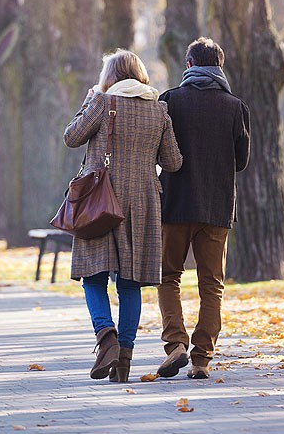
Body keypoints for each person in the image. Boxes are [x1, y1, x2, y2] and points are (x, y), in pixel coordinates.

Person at [64, 49, 182, 383]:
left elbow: (71, 137)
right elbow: (173, 162)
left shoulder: (103, 102)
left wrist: (89, 101)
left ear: (110, 77)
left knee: (93, 275)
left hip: (100, 201)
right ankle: (124, 360)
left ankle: (106, 339)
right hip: (144, 202)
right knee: (130, 282)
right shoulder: (159, 110)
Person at [156, 37, 250, 380]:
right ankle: (201, 359)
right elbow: (240, 161)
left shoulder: (170, 101)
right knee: (212, 283)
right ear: (219, 67)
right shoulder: (235, 107)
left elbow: (159, 152)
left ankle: (175, 345)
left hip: (175, 204)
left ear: (189, 66)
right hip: (216, 208)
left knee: (168, 277)